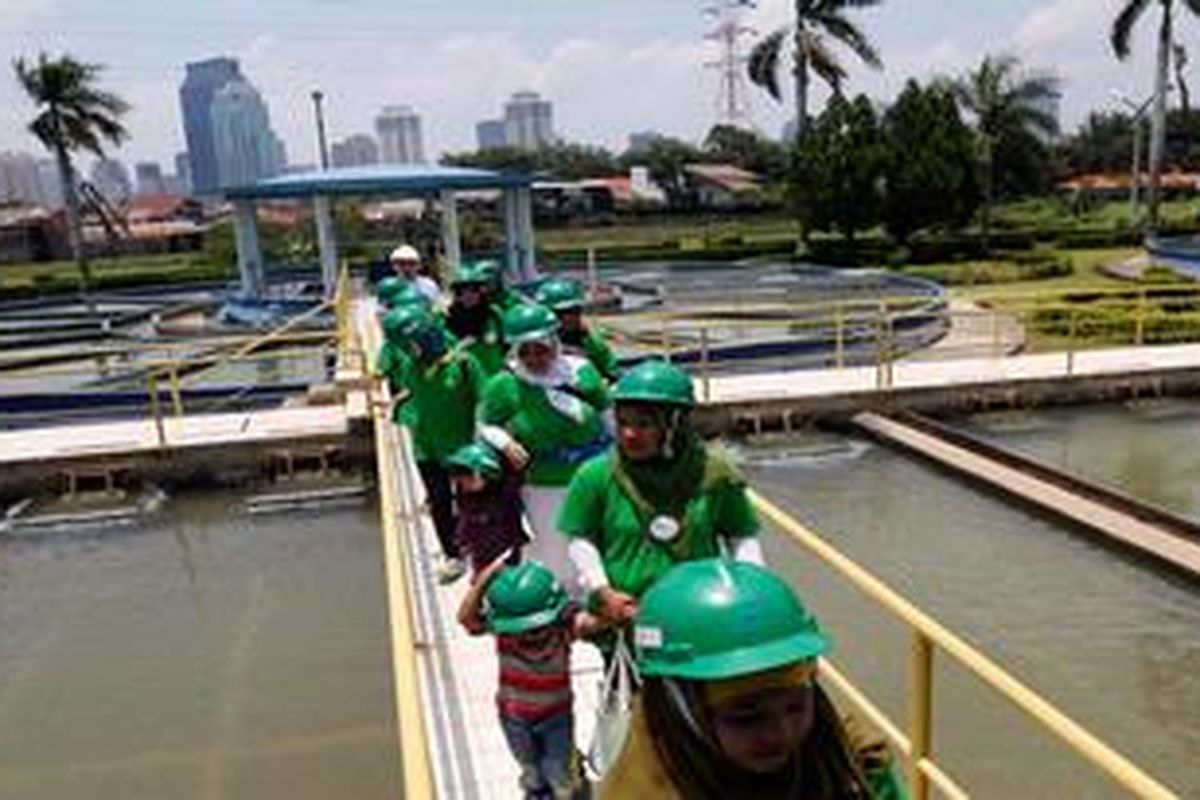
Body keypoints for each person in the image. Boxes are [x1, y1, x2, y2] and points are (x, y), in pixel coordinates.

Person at [600, 559, 908, 800]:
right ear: (682, 710)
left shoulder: (854, 762)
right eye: (747, 718)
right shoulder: (643, 789)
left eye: (797, 707)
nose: (781, 732)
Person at [558, 359, 763, 627]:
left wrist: (755, 592)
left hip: (700, 613)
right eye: (623, 423)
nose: (630, 435)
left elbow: (741, 538)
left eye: (644, 425)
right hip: (625, 616)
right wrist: (601, 590)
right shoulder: (595, 475)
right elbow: (580, 539)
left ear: (675, 425)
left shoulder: (715, 475)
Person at [479, 303, 612, 588]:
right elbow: (485, 423)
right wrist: (505, 442)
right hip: (543, 481)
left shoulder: (581, 372)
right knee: (554, 542)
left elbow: (608, 414)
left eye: (541, 348)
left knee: (600, 536)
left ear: (555, 342)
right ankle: (566, 597)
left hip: (595, 473)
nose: (534, 358)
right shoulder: (504, 385)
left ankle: (601, 594)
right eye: (524, 351)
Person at [458, 558, 597, 800]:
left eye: (538, 626)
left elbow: (593, 621)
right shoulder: (504, 632)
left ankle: (569, 785)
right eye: (522, 628)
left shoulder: (561, 632)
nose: (530, 633)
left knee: (559, 775)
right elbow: (466, 618)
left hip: (556, 717)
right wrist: (486, 577)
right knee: (530, 769)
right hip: (514, 718)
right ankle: (537, 791)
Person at [389, 305, 485, 584]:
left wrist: (482, 441)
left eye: (411, 345)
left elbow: (483, 400)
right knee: (440, 503)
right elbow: (414, 391)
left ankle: (478, 547)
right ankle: (452, 554)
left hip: (462, 448)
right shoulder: (411, 366)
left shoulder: (465, 364)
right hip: (426, 447)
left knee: (470, 500)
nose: (408, 351)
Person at [446, 441, 529, 576]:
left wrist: (506, 446)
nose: (461, 481)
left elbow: (517, 473)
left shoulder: (505, 492)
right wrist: (461, 541)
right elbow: (465, 519)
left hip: (504, 555)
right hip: (479, 553)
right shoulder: (465, 495)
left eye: (467, 475)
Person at [535, 277, 620, 383]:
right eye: (560, 313)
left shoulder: (590, 340)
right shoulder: (531, 345)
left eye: (575, 311)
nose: (569, 318)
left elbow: (611, 371)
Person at [446, 263, 507, 376]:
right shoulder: (447, 319)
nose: (468, 296)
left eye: (473, 290)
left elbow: (507, 345)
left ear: (481, 291)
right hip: (465, 381)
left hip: (493, 378)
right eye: (461, 292)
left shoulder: (494, 314)